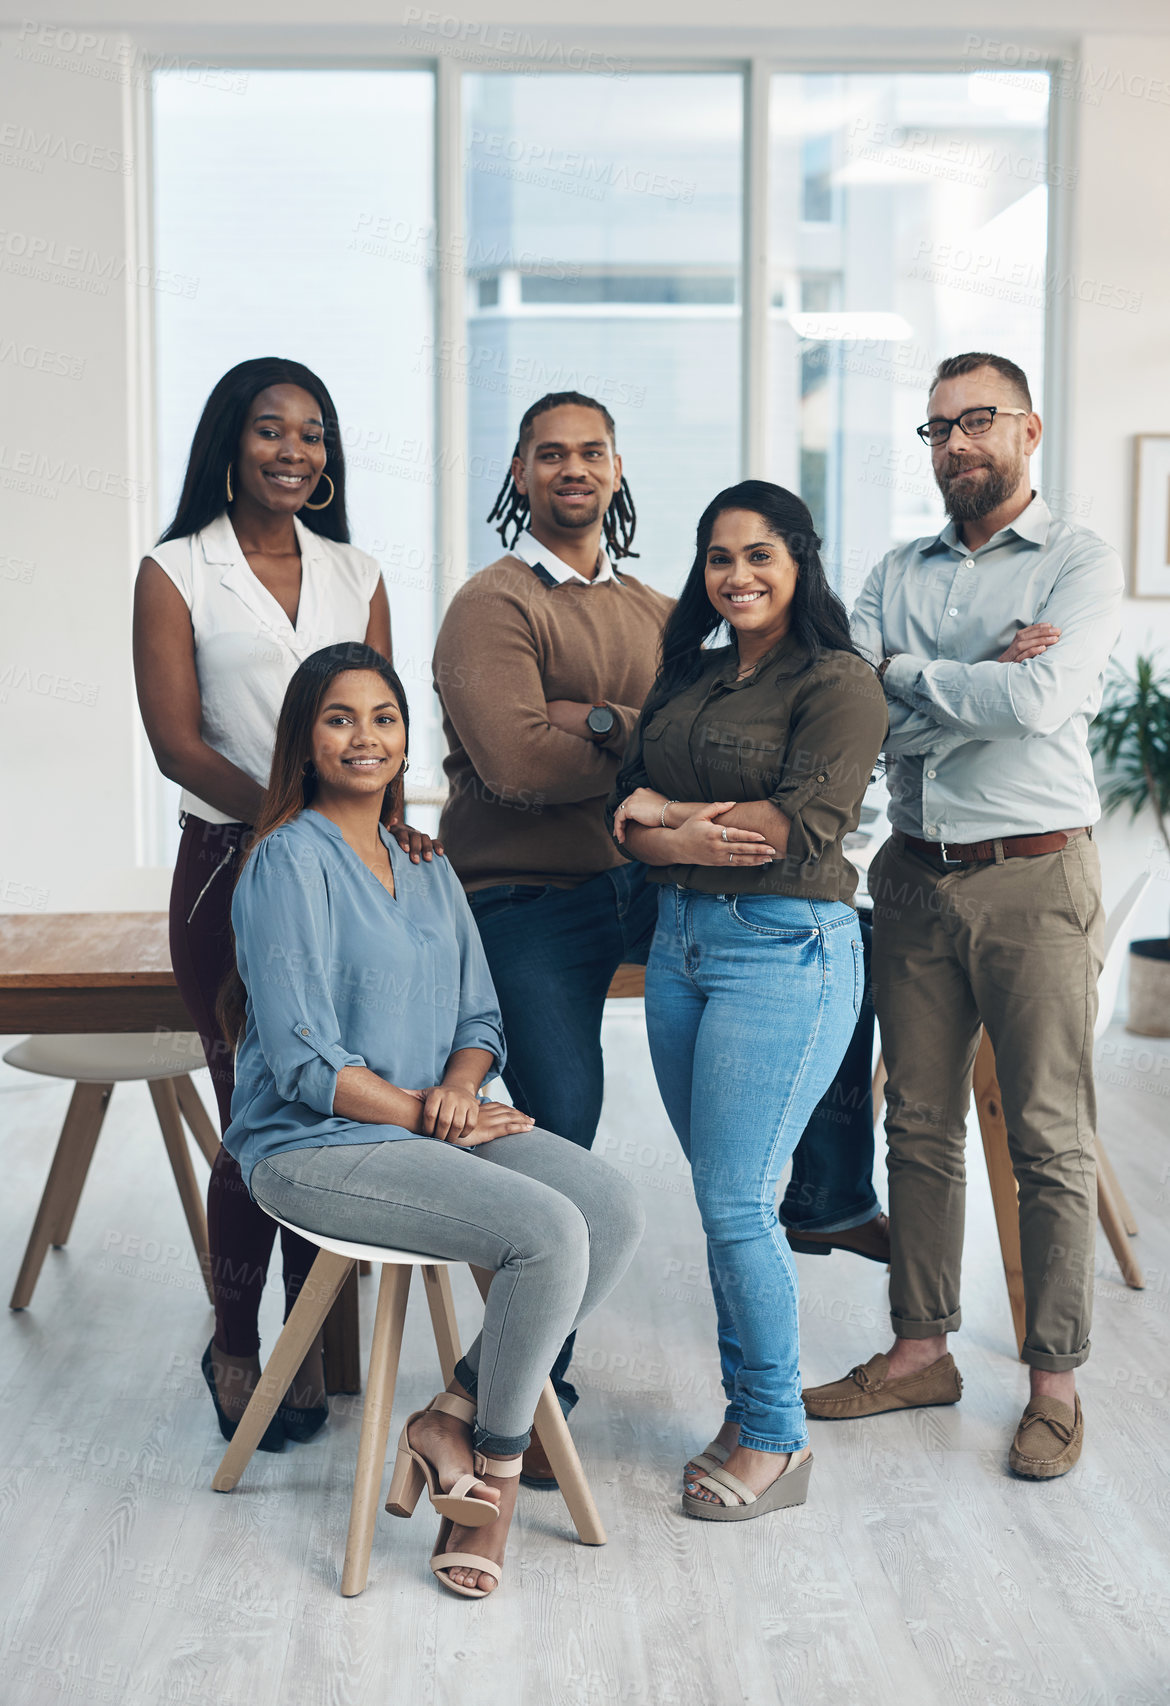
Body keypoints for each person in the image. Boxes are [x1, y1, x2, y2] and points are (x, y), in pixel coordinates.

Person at [218, 643, 644, 1598]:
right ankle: (493, 1470)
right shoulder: (288, 862)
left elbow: (479, 1017)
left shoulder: (427, 861)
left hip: (426, 1123)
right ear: (305, 739)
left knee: (610, 1208)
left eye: (383, 717)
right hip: (314, 1142)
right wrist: (428, 1110)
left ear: (410, 737)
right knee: (543, 1233)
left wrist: (460, 1085)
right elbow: (301, 1058)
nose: (364, 737)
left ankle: (451, 1408)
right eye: (339, 717)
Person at [803, 351, 1124, 1480]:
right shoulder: (896, 568)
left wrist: (917, 676)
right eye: (937, 428)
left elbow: (1043, 704)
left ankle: (1054, 1381)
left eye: (976, 421)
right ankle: (920, 1348)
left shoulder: (1078, 561)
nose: (956, 444)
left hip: (1034, 876)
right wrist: (969, 676)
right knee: (920, 1127)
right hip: (913, 874)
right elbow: (862, 720)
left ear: (1028, 430)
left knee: (1047, 1136)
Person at [132, 356, 437, 1452]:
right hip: (232, 863)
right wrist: (292, 822)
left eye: (313, 434)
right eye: (271, 431)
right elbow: (177, 741)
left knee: (337, 1103)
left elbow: (380, 724)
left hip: (354, 872)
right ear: (229, 442)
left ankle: (312, 1339)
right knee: (258, 1111)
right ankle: (234, 1338)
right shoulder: (177, 570)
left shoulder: (357, 571)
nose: (294, 452)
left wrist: (383, 822)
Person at [609, 480, 887, 1521]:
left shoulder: (841, 681)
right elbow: (618, 798)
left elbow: (795, 826)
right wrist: (656, 827)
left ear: (800, 560)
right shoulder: (692, 670)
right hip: (682, 948)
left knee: (734, 1200)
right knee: (734, 1200)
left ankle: (775, 1433)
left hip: (786, 951)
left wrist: (665, 827)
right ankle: (747, 1407)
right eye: (720, 557)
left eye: (760, 554)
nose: (738, 575)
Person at [431, 390, 673, 1478]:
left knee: (820, 928)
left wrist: (590, 721)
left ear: (618, 469)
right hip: (524, 890)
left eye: (592, 451)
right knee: (560, 1118)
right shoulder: (492, 605)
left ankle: (825, 1195)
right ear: (520, 474)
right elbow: (518, 767)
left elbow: (708, 742)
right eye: (549, 453)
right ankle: (528, 1386)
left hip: (641, 875)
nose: (573, 467)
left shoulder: (662, 607)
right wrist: (635, 730)